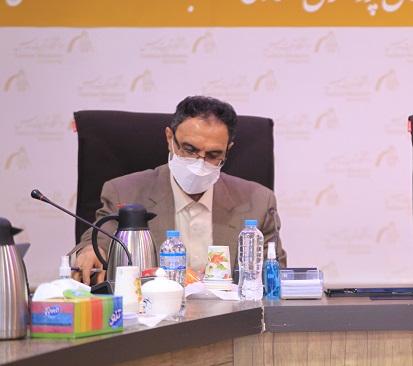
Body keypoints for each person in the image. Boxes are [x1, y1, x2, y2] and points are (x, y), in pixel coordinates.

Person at [71, 95, 286, 285]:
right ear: (169, 139)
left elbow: (275, 275)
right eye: (189, 150)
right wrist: (90, 252)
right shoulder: (124, 192)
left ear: (227, 150)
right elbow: (97, 241)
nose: (199, 162)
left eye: (213, 155)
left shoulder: (258, 202)